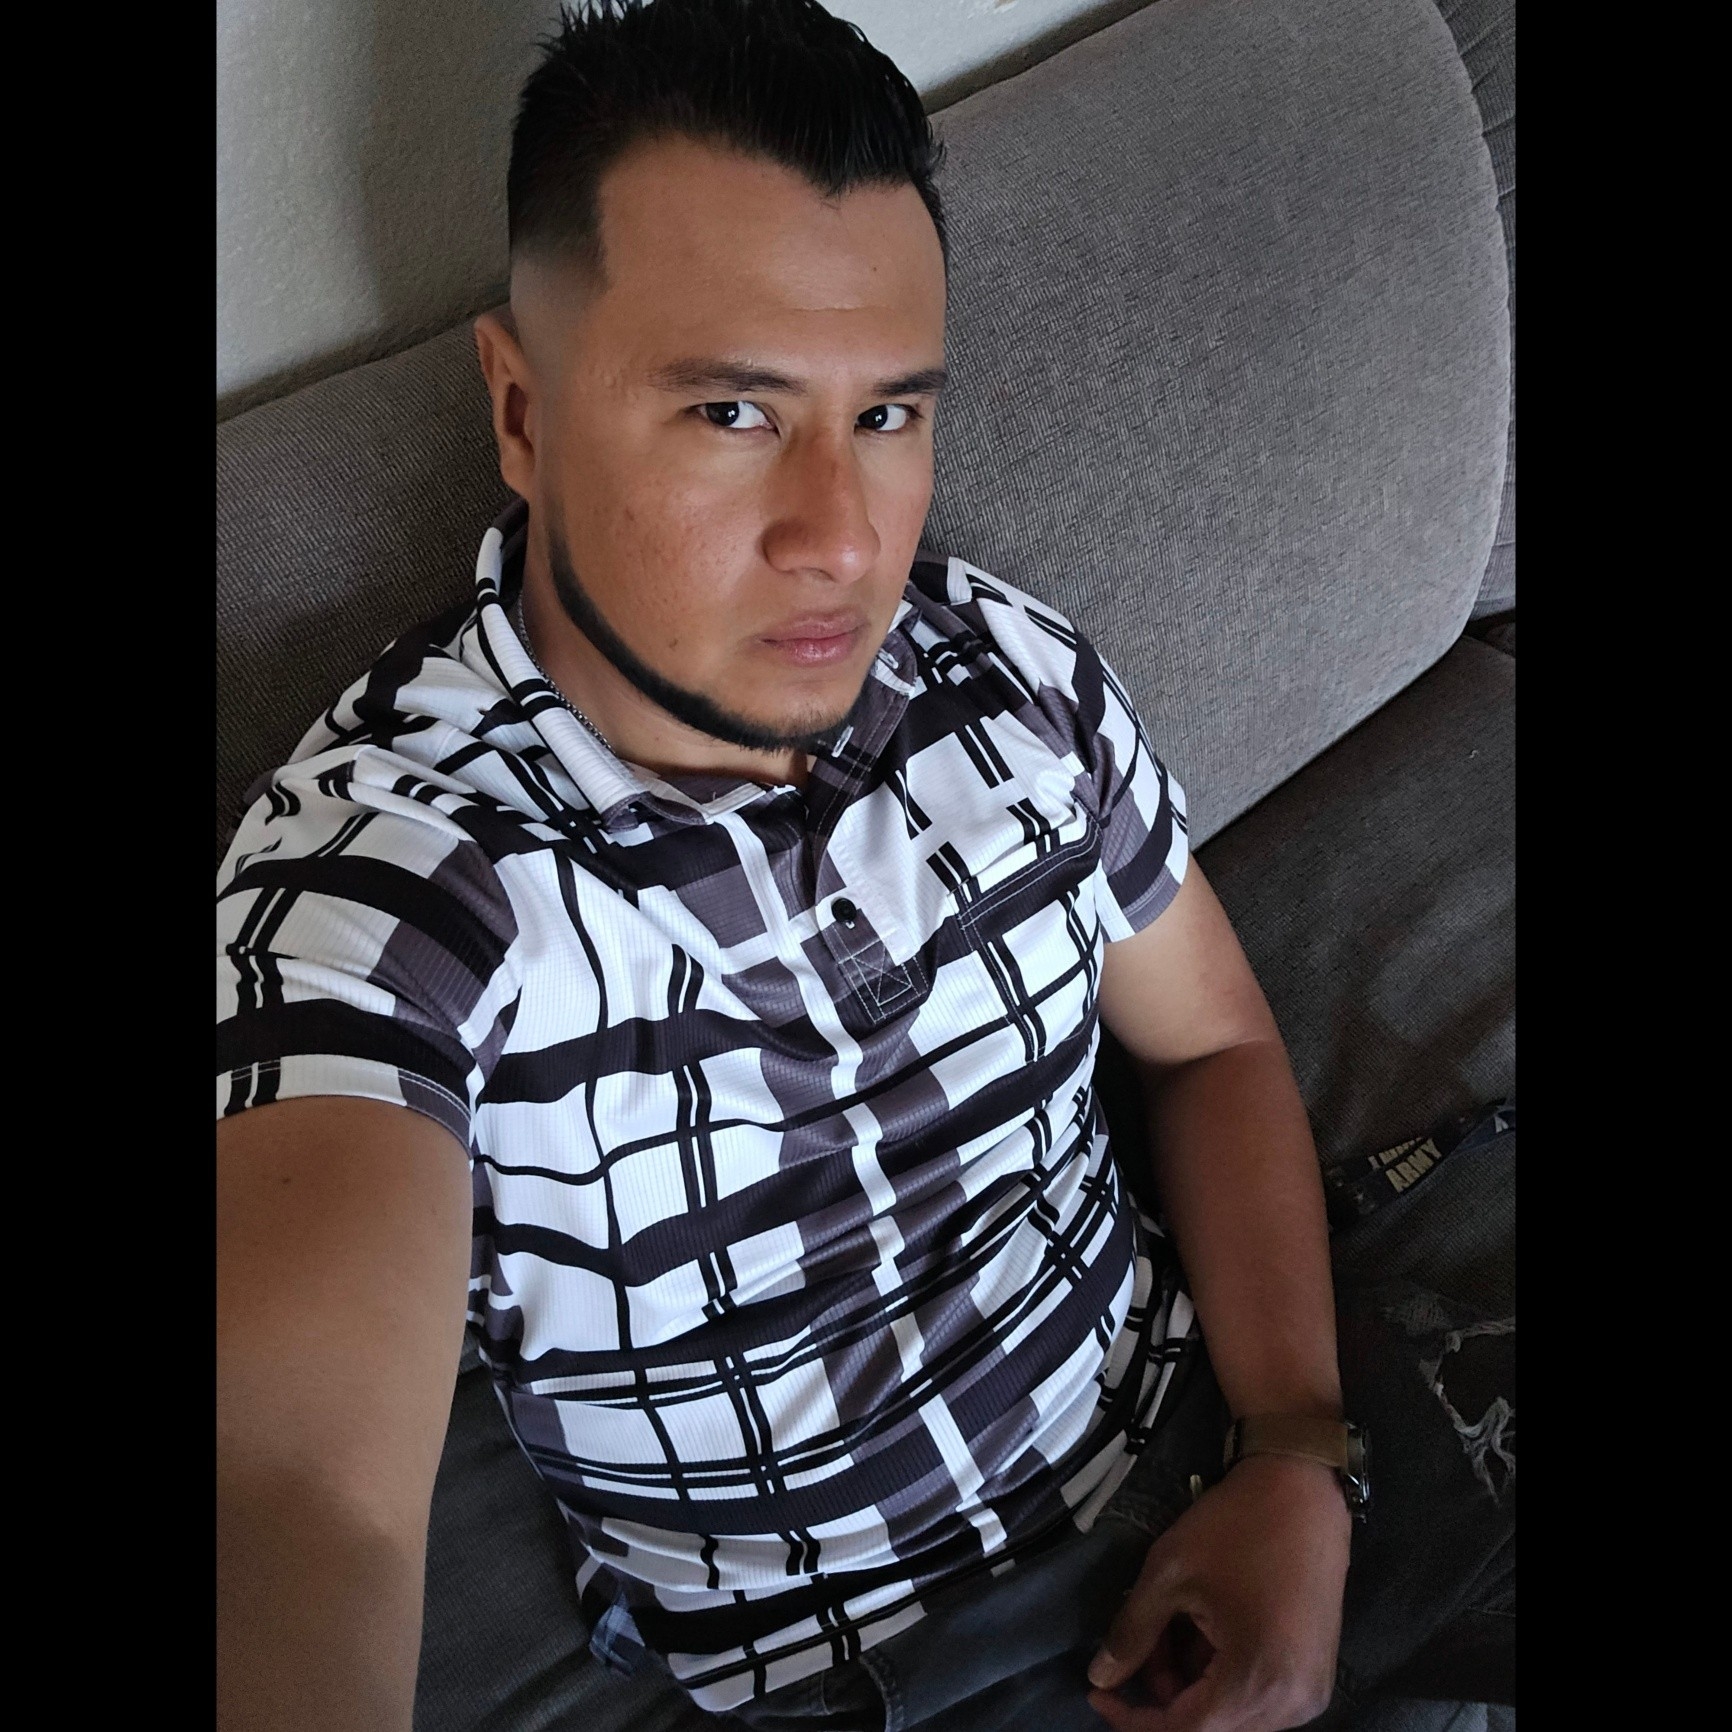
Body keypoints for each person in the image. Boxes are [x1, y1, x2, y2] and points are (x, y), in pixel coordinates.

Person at [216, 4, 1513, 1730]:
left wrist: (1293, 1453)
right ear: (521, 412)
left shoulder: (1007, 670)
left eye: (888, 412)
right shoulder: (390, 893)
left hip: (1260, 1444)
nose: (843, 538)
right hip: (920, 1675)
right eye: (734, 410)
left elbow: (1212, 1042)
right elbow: (302, 1504)